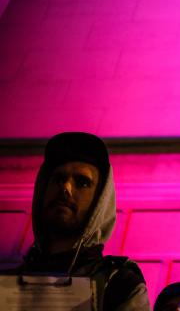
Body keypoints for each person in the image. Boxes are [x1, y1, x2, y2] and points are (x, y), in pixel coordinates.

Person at [8, 132, 150, 310]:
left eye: (82, 182)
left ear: (100, 200)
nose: (65, 188)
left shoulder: (119, 285)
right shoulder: (7, 284)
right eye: (58, 179)